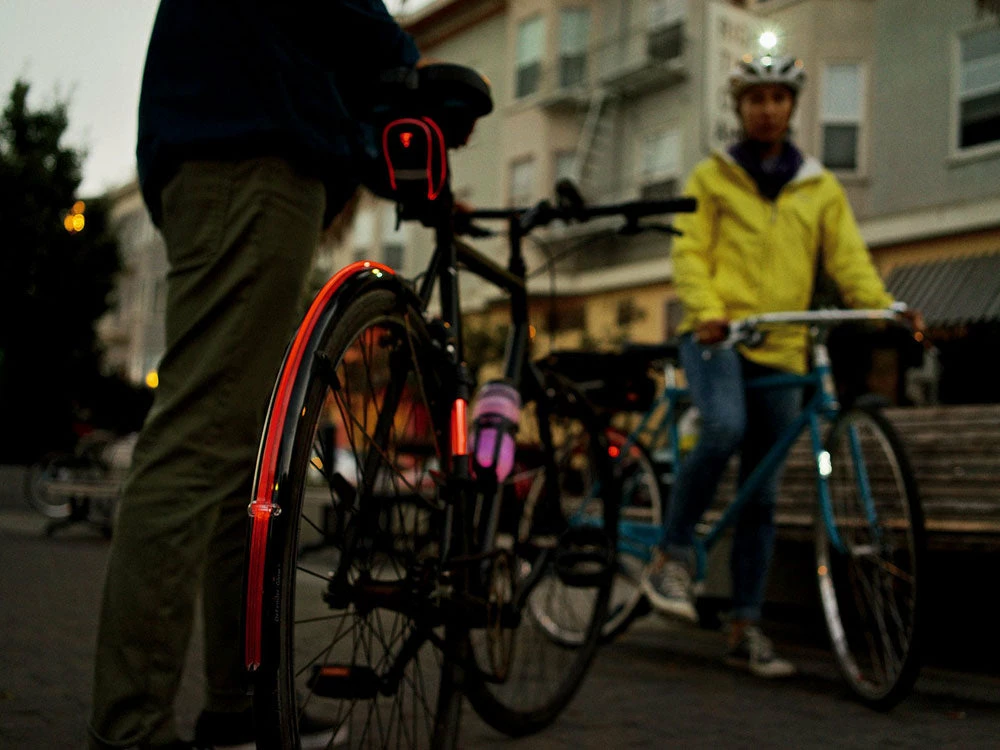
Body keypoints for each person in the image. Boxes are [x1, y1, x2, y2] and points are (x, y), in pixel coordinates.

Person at [87, 3, 420, 749]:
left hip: (232, 144)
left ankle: (234, 707)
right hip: (248, 150)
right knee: (202, 439)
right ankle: (129, 731)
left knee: (239, 455)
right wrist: (399, 55)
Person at [640, 54, 922, 678]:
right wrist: (709, 310)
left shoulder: (819, 187)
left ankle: (746, 626)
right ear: (739, 107)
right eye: (755, 98)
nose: (767, 108)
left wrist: (883, 308)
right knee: (722, 428)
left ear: (792, 106)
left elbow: (847, 261)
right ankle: (673, 554)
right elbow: (689, 252)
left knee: (760, 493)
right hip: (719, 336)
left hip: (786, 345)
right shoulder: (712, 178)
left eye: (778, 98)